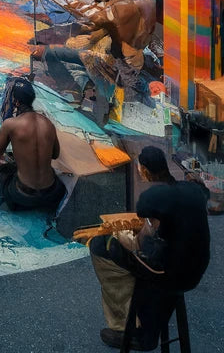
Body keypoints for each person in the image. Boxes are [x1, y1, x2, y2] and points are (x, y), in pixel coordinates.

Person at [89, 146, 210, 351]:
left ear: (143, 170)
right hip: (196, 269)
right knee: (138, 248)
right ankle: (146, 320)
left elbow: (144, 224)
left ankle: (129, 325)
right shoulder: (190, 188)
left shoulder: (154, 196)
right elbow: (202, 193)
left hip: (168, 273)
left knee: (100, 246)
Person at [0, 77, 65, 212]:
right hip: (51, 192)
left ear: (16, 102)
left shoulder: (11, 124)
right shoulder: (47, 122)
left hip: (23, 194)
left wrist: (6, 167)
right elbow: (55, 154)